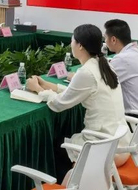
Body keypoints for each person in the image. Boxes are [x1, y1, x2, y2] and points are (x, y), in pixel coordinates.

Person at [25, 24, 131, 167]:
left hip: (105, 150)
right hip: (120, 143)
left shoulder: (87, 72)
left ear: (80, 45)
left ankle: (72, 179)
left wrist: (38, 89)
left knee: (54, 147)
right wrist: (47, 85)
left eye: (72, 41)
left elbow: (58, 104)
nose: (71, 44)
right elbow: (76, 91)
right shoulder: (104, 64)